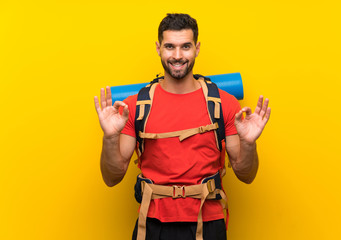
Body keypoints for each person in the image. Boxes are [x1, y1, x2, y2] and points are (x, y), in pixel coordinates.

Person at [94, 13, 270, 240]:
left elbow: (247, 175)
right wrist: (109, 138)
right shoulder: (135, 106)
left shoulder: (224, 103)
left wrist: (249, 143)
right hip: (152, 225)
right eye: (170, 47)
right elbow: (112, 177)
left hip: (208, 225)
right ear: (158, 48)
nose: (177, 56)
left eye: (185, 46)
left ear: (197, 48)